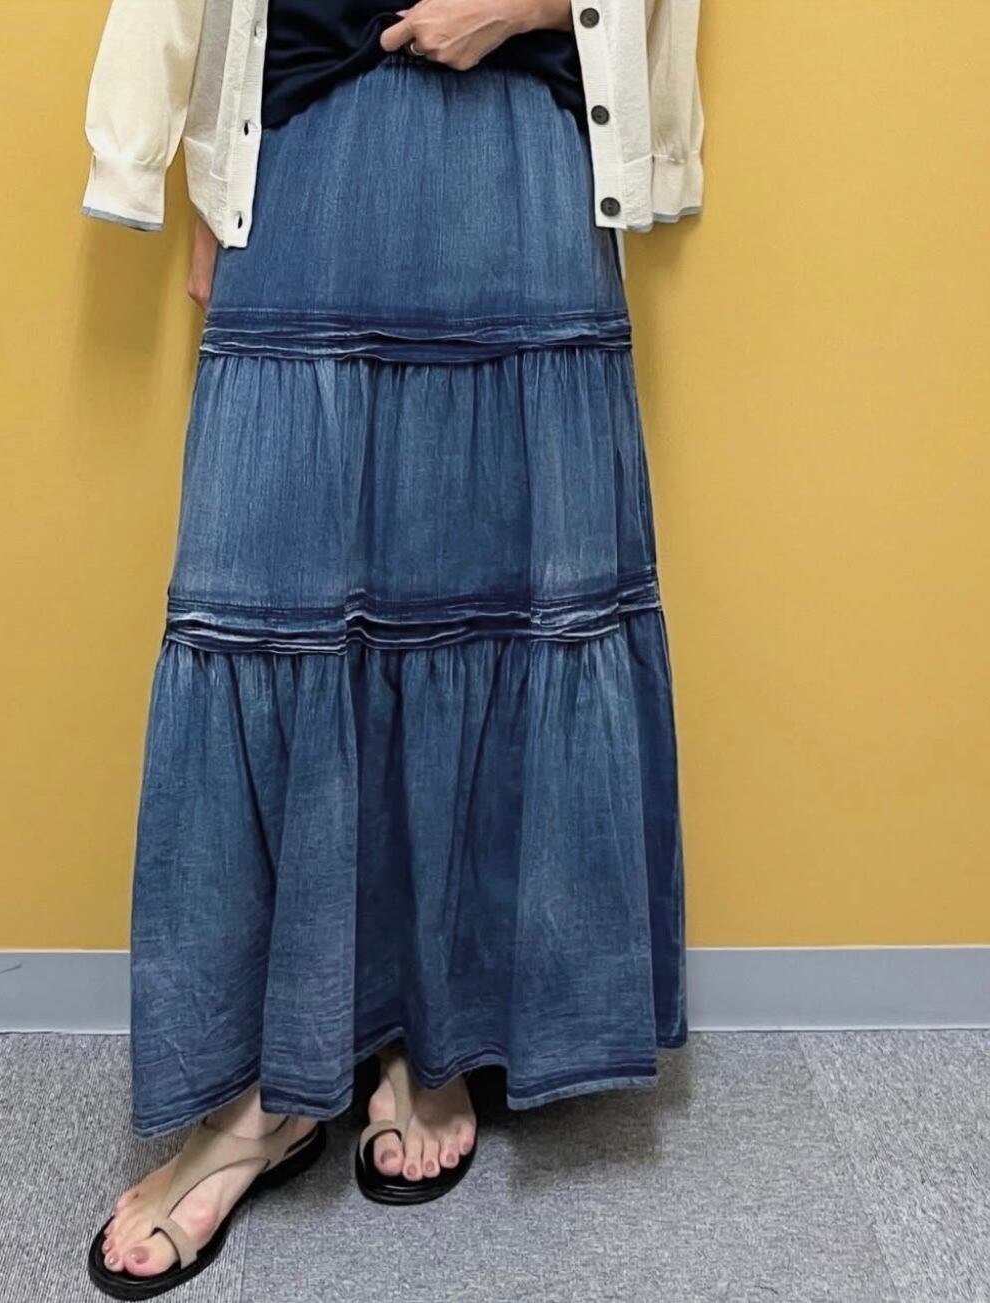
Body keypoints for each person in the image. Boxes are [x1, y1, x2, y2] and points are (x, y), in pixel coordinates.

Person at [79, 0, 703, 1294]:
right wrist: (192, 164)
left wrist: (527, 3)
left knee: (485, 601)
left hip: (521, 154)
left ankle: (435, 1031)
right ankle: (260, 1090)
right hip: (303, 139)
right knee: (271, 610)